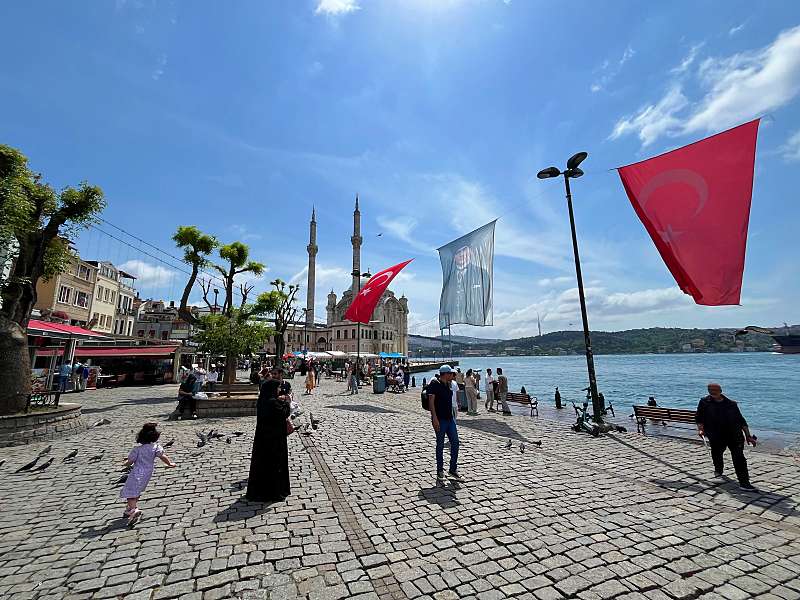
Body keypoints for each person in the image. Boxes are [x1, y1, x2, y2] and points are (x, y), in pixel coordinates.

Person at [696, 383, 757, 491]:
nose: (712, 391)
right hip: (716, 435)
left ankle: (744, 483)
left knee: (739, 458)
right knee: (717, 454)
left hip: (735, 435)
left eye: (715, 389)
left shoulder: (731, 404)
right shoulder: (704, 402)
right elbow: (699, 417)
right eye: (710, 389)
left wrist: (748, 436)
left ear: (720, 390)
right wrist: (701, 429)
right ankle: (718, 471)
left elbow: (741, 421)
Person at [247, 368, 292, 502]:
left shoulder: (263, 400)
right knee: (273, 465)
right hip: (274, 440)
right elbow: (285, 413)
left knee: (262, 465)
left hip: (263, 439)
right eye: (277, 388)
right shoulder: (273, 403)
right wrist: (287, 402)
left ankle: (259, 490)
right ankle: (273, 492)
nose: (279, 390)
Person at [120, 422, 177, 526]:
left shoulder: (137, 450)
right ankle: (129, 508)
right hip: (147, 473)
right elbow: (162, 456)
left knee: (130, 491)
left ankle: (133, 510)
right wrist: (170, 463)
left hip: (137, 472)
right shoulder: (156, 447)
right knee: (136, 491)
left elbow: (130, 461)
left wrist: (125, 463)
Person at [427, 365, 462, 483]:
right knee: (440, 445)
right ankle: (440, 471)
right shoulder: (434, 384)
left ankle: (452, 469)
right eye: (451, 373)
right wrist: (434, 418)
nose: (453, 375)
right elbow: (431, 402)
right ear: (445, 374)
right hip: (440, 419)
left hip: (449, 419)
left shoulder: (448, 385)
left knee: (455, 443)